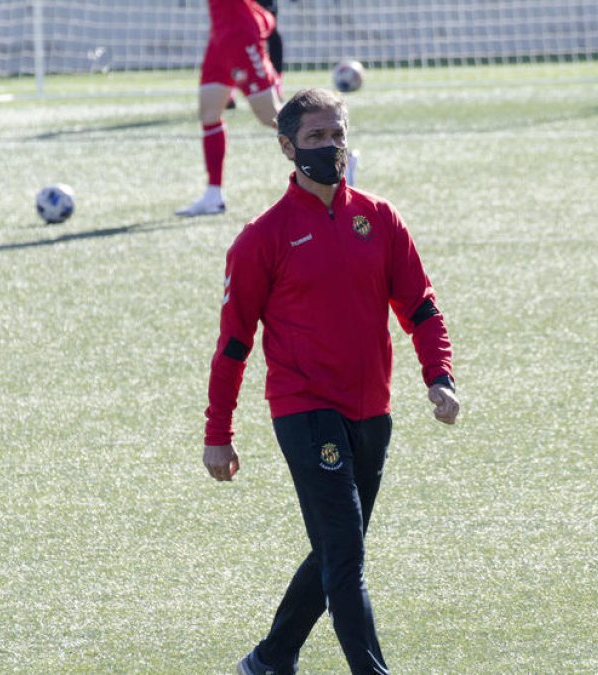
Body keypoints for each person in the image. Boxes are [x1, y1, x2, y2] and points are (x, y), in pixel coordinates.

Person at [201, 88, 460, 675]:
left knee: (332, 551)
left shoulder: (380, 216)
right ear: (287, 147)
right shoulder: (261, 238)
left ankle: (270, 660)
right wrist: (219, 432)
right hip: (305, 408)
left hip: (373, 410)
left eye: (337, 135)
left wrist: (438, 375)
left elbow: (419, 305)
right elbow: (234, 345)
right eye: (316, 138)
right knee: (345, 555)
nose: (330, 148)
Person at [177, 0, 282, 217]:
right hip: (220, 34)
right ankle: (213, 195)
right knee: (209, 113)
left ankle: (336, 158)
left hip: (240, 34)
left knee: (271, 116)